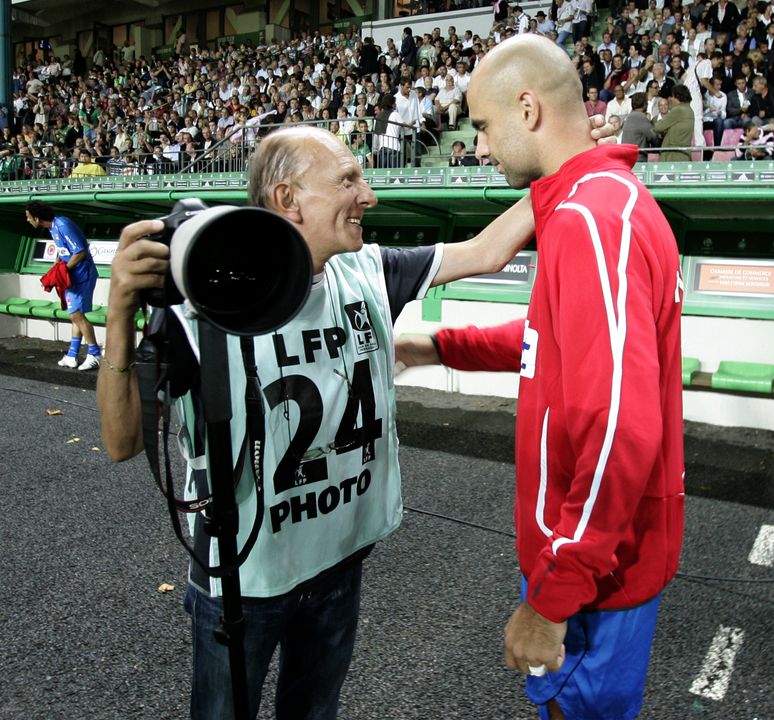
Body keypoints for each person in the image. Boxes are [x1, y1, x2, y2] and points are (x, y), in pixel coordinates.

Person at [96, 124, 543, 720]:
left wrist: (565, 164)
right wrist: (119, 313)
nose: (369, 196)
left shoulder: (370, 272)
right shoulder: (199, 299)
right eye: (349, 180)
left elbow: (489, 250)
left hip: (339, 557)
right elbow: (121, 442)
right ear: (288, 199)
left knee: (314, 711)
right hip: (244, 581)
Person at [395, 33, 684, 720]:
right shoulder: (599, 202)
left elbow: (621, 425)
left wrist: (553, 600)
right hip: (603, 560)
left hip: (595, 578)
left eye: (484, 127)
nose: (482, 147)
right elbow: (552, 346)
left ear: (527, 109)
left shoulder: (591, 219)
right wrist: (439, 344)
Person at [24, 201, 101, 370]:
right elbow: (65, 248)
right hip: (73, 277)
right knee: (75, 315)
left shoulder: (63, 224)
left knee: (76, 315)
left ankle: (94, 353)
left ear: (37, 218)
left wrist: (63, 271)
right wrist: (58, 262)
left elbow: (80, 251)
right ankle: (72, 355)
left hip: (82, 276)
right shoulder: (53, 227)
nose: (28, 220)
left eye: (28, 218)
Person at [654, 83, 695, 161]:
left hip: (672, 155)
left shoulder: (678, 110)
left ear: (678, 97)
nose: (670, 99)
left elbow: (658, 127)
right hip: (683, 154)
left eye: (672, 96)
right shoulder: (689, 110)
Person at [621, 91, 658, 159]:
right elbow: (653, 136)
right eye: (646, 102)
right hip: (637, 158)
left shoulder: (630, 116)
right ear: (644, 104)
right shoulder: (640, 117)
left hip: (628, 156)